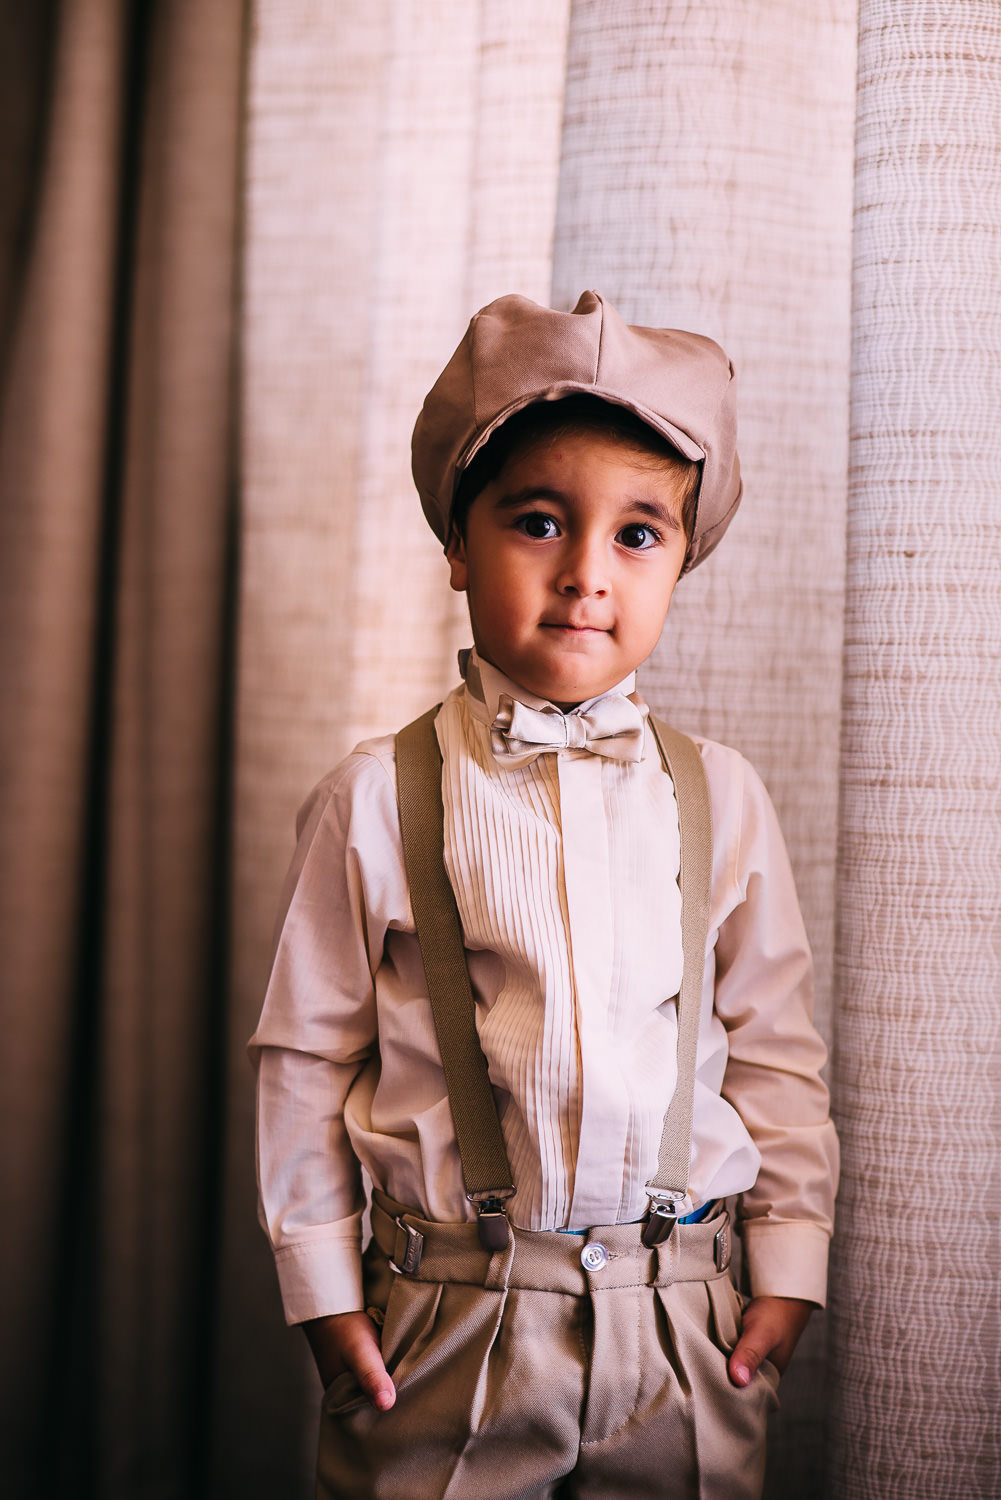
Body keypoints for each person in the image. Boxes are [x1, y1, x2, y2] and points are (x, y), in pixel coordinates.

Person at [251, 290, 839, 1499]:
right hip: (448, 1315)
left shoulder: (718, 797)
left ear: (683, 558)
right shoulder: (374, 798)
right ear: (457, 547)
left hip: (680, 1315)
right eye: (536, 521)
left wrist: (786, 1262)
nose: (584, 575)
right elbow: (304, 1060)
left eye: (637, 535)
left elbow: (774, 1051)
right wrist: (324, 1295)